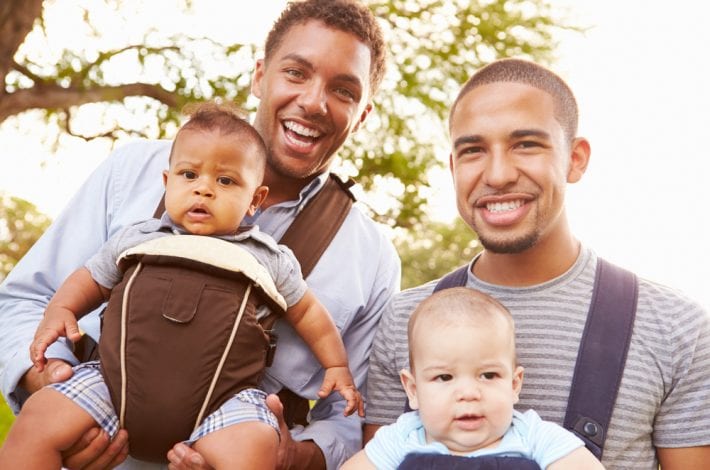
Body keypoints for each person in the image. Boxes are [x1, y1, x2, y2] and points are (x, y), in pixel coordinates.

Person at [0, 1, 400, 468]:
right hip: (95, 416)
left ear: (363, 113)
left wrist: (292, 456)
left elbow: (355, 418)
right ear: (259, 76)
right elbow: (25, 302)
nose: (313, 101)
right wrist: (47, 383)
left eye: (343, 90)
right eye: (296, 73)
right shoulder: (134, 171)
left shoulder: (371, 259)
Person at [364, 58, 710, 469]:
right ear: (454, 168)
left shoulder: (675, 329)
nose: (497, 174)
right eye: (473, 150)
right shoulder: (403, 320)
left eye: (526, 144)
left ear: (575, 159)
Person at [344, 287, 603, 469]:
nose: (468, 393)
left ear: (514, 385)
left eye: (488, 375)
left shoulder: (535, 437)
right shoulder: (400, 439)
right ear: (413, 390)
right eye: (444, 377)